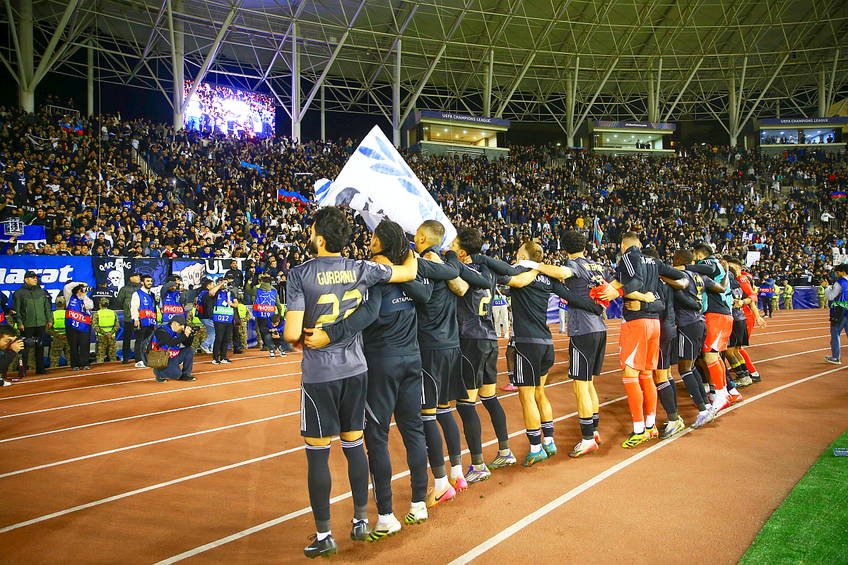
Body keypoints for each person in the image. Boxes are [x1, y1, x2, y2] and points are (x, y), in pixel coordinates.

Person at [283, 207, 417, 558]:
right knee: (355, 444)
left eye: (312, 230)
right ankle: (360, 520)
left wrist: (297, 337)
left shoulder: (299, 274)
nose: (309, 234)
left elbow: (292, 333)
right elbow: (407, 271)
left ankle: (325, 534)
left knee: (318, 454)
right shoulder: (363, 268)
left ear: (321, 239)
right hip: (356, 370)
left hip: (319, 375)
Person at [473, 241, 583, 466]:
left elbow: (506, 274)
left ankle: (535, 448)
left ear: (523, 255)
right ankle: (549, 441)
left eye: (517, 252)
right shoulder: (546, 277)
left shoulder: (522, 271)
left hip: (527, 343)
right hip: (546, 342)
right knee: (540, 393)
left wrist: (481, 261)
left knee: (527, 396)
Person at [597, 232, 687, 448]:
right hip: (654, 323)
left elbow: (635, 282)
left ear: (624, 245)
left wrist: (618, 292)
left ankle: (639, 429)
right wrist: (646, 298)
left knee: (630, 375)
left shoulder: (629, 256)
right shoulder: (655, 262)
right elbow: (680, 278)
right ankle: (650, 425)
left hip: (636, 324)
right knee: (647, 374)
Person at [447, 227, 516, 480]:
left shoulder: (464, 270)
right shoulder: (487, 270)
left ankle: (478, 465)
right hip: (488, 338)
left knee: (466, 404)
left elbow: (460, 288)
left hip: (470, 339)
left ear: (463, 252)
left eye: (454, 244)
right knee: (489, 397)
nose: (450, 247)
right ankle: (505, 450)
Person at [536, 231, 609, 457]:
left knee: (580, 385)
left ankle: (588, 438)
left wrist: (535, 265)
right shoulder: (598, 266)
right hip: (599, 328)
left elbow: (561, 272)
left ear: (565, 248)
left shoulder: (573, 264)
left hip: (582, 330)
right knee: (589, 384)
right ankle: (594, 432)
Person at [12, 271, 53, 375]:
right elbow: (16, 309)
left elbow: (47, 307)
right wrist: (20, 323)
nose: (35, 279)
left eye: (36, 277)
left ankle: (40, 369)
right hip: (26, 325)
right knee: (24, 349)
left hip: (40, 323)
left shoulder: (41, 292)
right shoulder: (19, 293)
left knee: (40, 347)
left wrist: (49, 319)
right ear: (26, 280)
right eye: (32, 278)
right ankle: (23, 370)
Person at [149, 314, 196, 382]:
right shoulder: (161, 331)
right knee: (176, 375)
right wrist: (185, 335)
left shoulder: (179, 330)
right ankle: (158, 372)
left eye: (183, 325)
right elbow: (170, 343)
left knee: (189, 350)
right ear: (173, 324)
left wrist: (191, 336)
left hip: (174, 355)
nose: (182, 327)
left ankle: (185, 374)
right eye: (180, 325)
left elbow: (187, 344)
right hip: (163, 357)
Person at [248, 275, 286, 357]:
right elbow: (278, 302)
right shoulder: (274, 290)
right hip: (270, 314)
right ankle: (274, 345)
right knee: (272, 329)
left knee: (263, 330)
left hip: (260, 313)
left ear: (262, 282)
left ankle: (266, 345)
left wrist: (247, 284)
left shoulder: (257, 289)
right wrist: (280, 312)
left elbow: (248, 291)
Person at [131, 274, 157, 368]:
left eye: (150, 281)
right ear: (142, 282)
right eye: (147, 281)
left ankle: (146, 360)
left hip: (150, 321)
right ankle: (138, 360)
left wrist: (155, 321)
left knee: (149, 341)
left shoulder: (152, 295)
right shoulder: (137, 293)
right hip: (142, 321)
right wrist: (136, 319)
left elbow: (153, 309)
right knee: (140, 341)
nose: (150, 283)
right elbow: (134, 307)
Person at [66, 283, 93, 370]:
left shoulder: (85, 299)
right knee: (73, 345)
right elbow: (67, 287)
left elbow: (90, 306)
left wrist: (84, 296)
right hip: (72, 325)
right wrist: (78, 284)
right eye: (81, 289)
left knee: (84, 344)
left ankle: (85, 363)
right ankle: (75, 364)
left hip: (84, 325)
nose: (83, 291)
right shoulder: (69, 297)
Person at [824, 264, 848, 364]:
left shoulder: (840, 283)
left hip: (839, 312)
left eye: (837, 272)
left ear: (843, 272)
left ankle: (835, 357)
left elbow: (831, 296)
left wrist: (826, 288)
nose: (836, 274)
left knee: (835, 335)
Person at [116, 272, 142, 363]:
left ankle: (139, 358)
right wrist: (126, 310)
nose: (139, 278)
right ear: (131, 278)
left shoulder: (141, 288)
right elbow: (119, 302)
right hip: (128, 318)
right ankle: (125, 358)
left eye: (139, 276)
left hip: (140, 318)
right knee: (127, 339)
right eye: (137, 276)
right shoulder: (124, 289)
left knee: (140, 339)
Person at [209, 277, 235, 364]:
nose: (224, 284)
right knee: (219, 339)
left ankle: (223, 356)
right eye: (223, 282)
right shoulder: (217, 293)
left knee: (226, 339)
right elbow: (211, 292)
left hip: (229, 319)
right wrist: (220, 284)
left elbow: (236, 303)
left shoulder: (230, 293)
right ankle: (215, 357)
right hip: (219, 319)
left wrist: (232, 304)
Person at [92, 298, 119, 363]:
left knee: (100, 356)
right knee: (113, 356)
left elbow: (95, 326)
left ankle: (100, 371)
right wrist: (111, 333)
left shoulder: (97, 313)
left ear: (100, 305)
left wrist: (105, 333)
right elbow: (117, 325)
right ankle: (114, 370)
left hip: (101, 337)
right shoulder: (113, 313)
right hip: (112, 337)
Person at [48, 296, 70, 369]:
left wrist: (58, 335)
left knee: (54, 361)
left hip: (56, 340)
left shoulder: (52, 315)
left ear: (55, 305)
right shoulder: (69, 314)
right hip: (68, 339)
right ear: (64, 305)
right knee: (70, 360)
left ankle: (53, 377)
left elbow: (48, 329)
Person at [196, 279, 216, 354]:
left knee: (211, 332)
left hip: (201, 316)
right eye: (212, 285)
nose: (213, 286)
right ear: (208, 285)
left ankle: (211, 348)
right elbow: (208, 306)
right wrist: (211, 315)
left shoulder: (201, 293)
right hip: (206, 316)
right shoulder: (206, 294)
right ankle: (206, 344)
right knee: (214, 332)